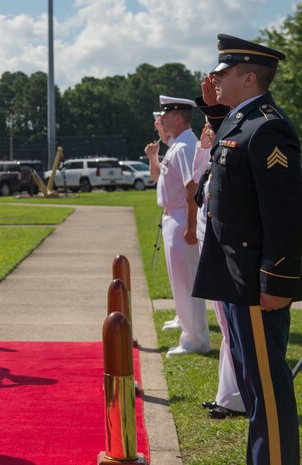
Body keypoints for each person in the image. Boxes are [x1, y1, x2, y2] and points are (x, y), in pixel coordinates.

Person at [193, 33, 301, 464]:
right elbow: (226, 168)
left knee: (268, 391)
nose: (214, 79)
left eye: (223, 73)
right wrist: (215, 112)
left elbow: (285, 214)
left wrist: (277, 281)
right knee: (253, 385)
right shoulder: (244, 119)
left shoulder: (268, 127)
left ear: (250, 76)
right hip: (237, 278)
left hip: (257, 283)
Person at [145, 95, 209, 356]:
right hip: (174, 217)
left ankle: (195, 339)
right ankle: (189, 331)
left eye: (166, 115)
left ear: (178, 117)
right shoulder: (179, 144)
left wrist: (191, 226)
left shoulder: (184, 146)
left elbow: (191, 186)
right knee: (180, 281)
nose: (162, 120)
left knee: (187, 282)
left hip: (182, 217)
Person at [192, 123, 245, 420]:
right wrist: (204, 148)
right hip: (208, 239)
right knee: (225, 325)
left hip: (222, 242)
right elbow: (199, 188)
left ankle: (235, 396)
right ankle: (228, 394)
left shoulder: (233, 149)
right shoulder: (216, 152)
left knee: (230, 326)